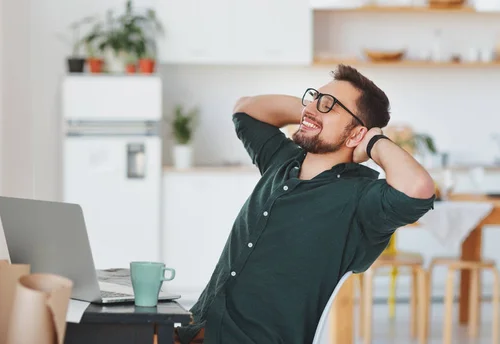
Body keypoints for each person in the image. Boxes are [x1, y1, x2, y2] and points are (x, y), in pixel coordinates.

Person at [174, 64, 436, 344]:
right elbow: (246, 109)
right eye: (314, 98)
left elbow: (418, 188)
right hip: (197, 328)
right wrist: (312, 111)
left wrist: (373, 142)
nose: (312, 107)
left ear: (355, 133)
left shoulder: (361, 200)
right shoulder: (282, 160)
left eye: (329, 106)